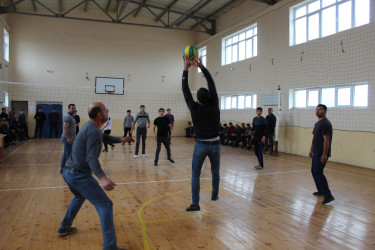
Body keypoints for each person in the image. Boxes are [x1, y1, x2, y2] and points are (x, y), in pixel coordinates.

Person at [57, 102, 132, 250]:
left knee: (79, 197)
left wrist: (119, 139)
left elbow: (102, 136)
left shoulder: (89, 126)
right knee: (105, 204)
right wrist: (102, 178)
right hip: (79, 176)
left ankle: (64, 227)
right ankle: (110, 247)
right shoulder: (93, 131)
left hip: (68, 172)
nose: (107, 112)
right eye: (105, 110)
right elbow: (91, 158)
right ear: (99, 115)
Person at [182, 56, 221, 212]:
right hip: (216, 144)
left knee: (196, 174)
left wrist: (185, 69)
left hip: (201, 144)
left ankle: (195, 204)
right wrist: (202, 68)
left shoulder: (194, 108)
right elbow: (212, 83)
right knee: (215, 171)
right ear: (210, 97)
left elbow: (185, 90)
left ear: (197, 98)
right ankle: (214, 195)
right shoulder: (214, 103)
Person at [309, 104, 334, 205]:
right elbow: (314, 138)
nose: (318, 111)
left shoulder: (326, 124)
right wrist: (311, 150)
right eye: (317, 109)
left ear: (325, 111)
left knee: (318, 172)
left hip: (321, 153)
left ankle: (328, 195)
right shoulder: (317, 124)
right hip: (316, 152)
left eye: (320, 109)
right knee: (314, 171)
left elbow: (326, 140)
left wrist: (324, 154)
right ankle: (320, 191)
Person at [61, 104, 77, 173]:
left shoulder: (71, 117)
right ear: (68, 109)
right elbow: (65, 127)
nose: (73, 109)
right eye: (72, 108)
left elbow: (72, 128)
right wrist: (68, 138)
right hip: (67, 138)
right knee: (69, 154)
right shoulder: (67, 116)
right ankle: (69, 170)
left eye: (74, 108)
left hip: (71, 137)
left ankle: (62, 169)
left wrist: (75, 136)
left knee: (66, 153)